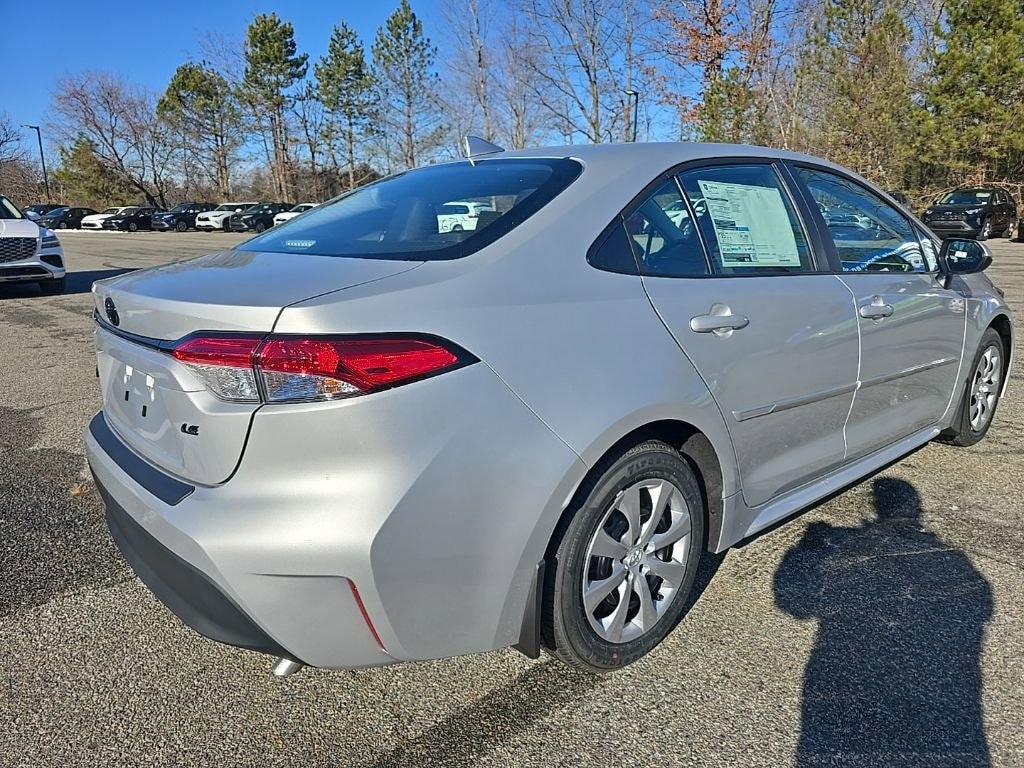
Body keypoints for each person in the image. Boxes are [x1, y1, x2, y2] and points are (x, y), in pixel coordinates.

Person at [774, 477, 992, 766]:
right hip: (940, 704)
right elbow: (981, 604)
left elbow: (796, 605)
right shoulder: (954, 560)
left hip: (849, 677)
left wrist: (807, 547)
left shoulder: (855, 550)